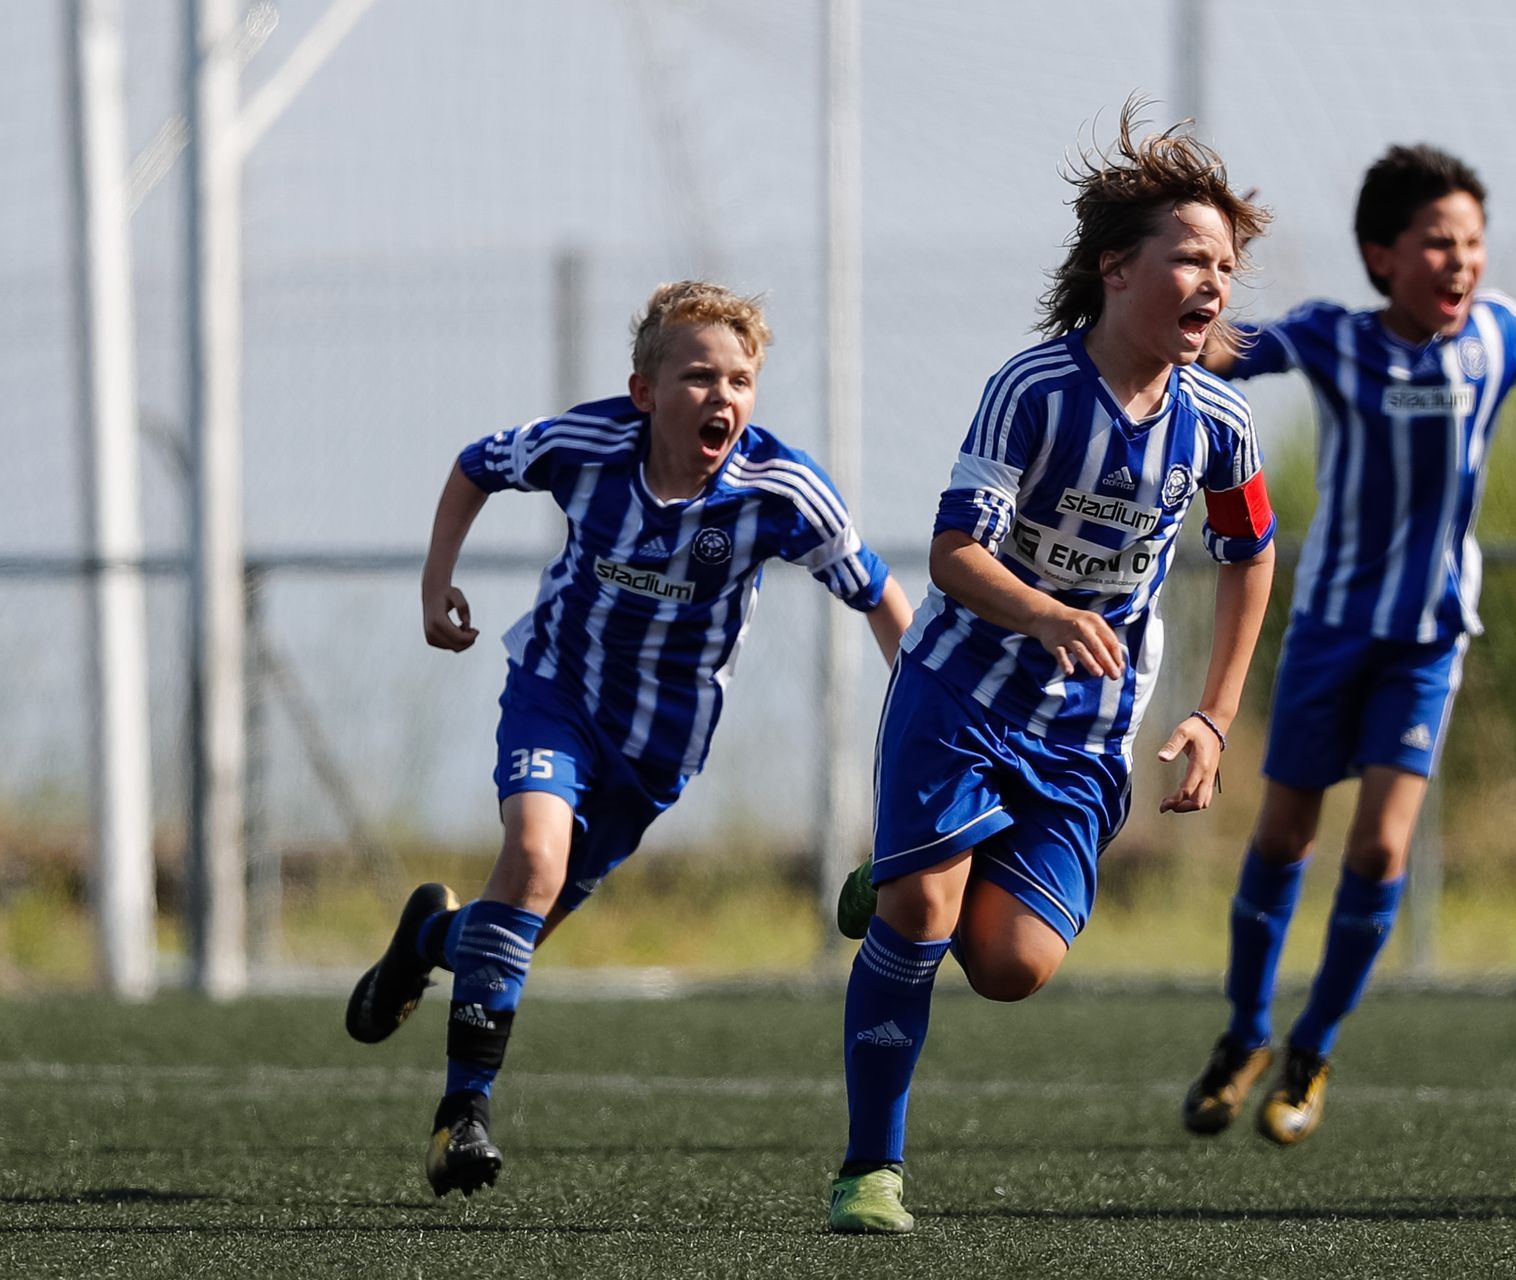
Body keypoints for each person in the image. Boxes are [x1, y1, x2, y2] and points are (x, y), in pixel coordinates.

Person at [1181, 144, 1516, 1147]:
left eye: (1473, 241)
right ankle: (1245, 1033)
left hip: (1427, 641)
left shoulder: (1501, 337)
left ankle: (1311, 1047)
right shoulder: (1332, 338)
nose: (1461, 260)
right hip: (1330, 631)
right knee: (1282, 839)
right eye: (1439, 241)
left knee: (1384, 842)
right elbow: (1211, 349)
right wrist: (1157, 281)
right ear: (1380, 254)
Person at [342, 280, 913, 1198]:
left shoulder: (782, 489)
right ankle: (462, 1118)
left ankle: (426, 941)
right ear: (644, 391)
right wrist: (433, 582)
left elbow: (880, 596)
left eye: (740, 379)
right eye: (696, 376)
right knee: (529, 864)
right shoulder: (587, 445)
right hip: (555, 695)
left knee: (513, 934)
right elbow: (475, 465)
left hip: (658, 751)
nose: (720, 397)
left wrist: (921, 702)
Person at [826, 104, 1277, 1234]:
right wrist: (1044, 612)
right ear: (1117, 268)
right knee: (922, 918)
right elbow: (952, 553)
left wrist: (1216, 717)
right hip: (963, 686)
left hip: (1085, 724)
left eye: (1226, 263)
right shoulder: (1032, 389)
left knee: (1015, 963)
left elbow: (1251, 555)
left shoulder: (1220, 422)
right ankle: (867, 1169)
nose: (1212, 279)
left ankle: (898, 871)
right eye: (1189, 255)